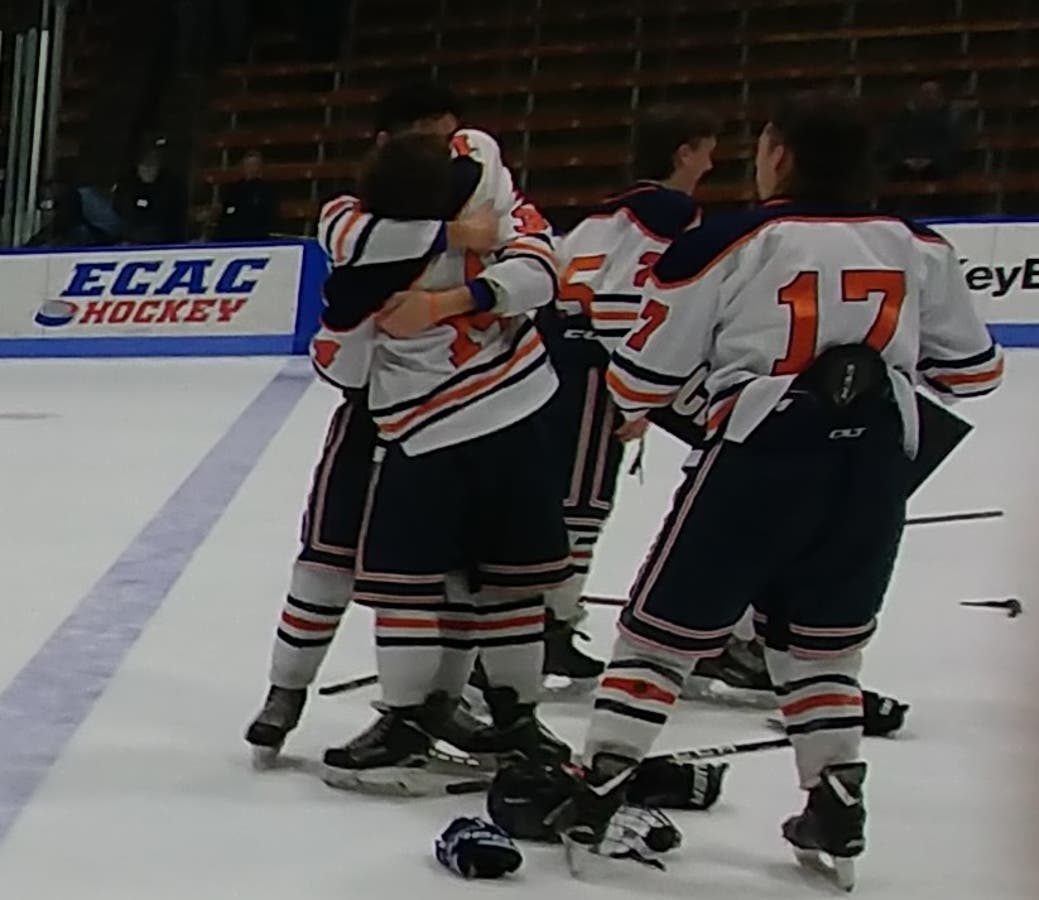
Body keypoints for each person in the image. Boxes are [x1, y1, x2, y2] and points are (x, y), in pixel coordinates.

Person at [556, 90, 1003, 889]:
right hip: (871, 466)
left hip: (759, 452)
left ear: (781, 154)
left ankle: (602, 786)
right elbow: (976, 370)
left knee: (658, 634)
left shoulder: (728, 241)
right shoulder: (916, 244)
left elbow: (640, 376)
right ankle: (833, 797)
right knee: (822, 645)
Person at [246, 83, 567, 790]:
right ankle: (292, 693)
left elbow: (542, 269)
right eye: (427, 132)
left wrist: (443, 301)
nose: (448, 145)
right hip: (431, 412)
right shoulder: (377, 217)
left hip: (424, 421)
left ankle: (428, 709)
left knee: (435, 577)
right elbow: (352, 252)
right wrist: (454, 239)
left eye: (450, 132)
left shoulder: (480, 202)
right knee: (338, 560)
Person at [535, 104, 718, 687]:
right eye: (706, 149)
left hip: (554, 366)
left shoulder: (599, 214)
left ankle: (542, 622)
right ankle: (550, 627)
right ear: (683, 152)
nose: (713, 162)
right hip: (596, 372)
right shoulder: (674, 214)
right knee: (581, 507)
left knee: (560, 499)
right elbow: (625, 304)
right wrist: (638, 387)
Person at [884, 81, 964, 181]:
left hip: (938, 168)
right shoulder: (903, 118)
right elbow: (893, 142)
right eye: (926, 93)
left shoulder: (950, 118)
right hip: (905, 166)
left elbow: (952, 146)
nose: (929, 97)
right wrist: (907, 160)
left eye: (933, 93)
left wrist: (929, 160)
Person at [113, 145, 187, 244]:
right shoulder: (126, 187)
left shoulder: (170, 189)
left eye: (152, 165)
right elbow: (119, 212)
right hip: (130, 241)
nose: (148, 169)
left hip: (163, 242)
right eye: (144, 165)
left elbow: (175, 219)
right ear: (138, 167)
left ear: (159, 167)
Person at [213, 150, 278, 242]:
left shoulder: (267, 190)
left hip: (256, 235)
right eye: (248, 165)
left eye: (253, 165)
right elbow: (226, 211)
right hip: (231, 235)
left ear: (259, 167)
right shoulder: (234, 189)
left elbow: (269, 216)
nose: (250, 169)